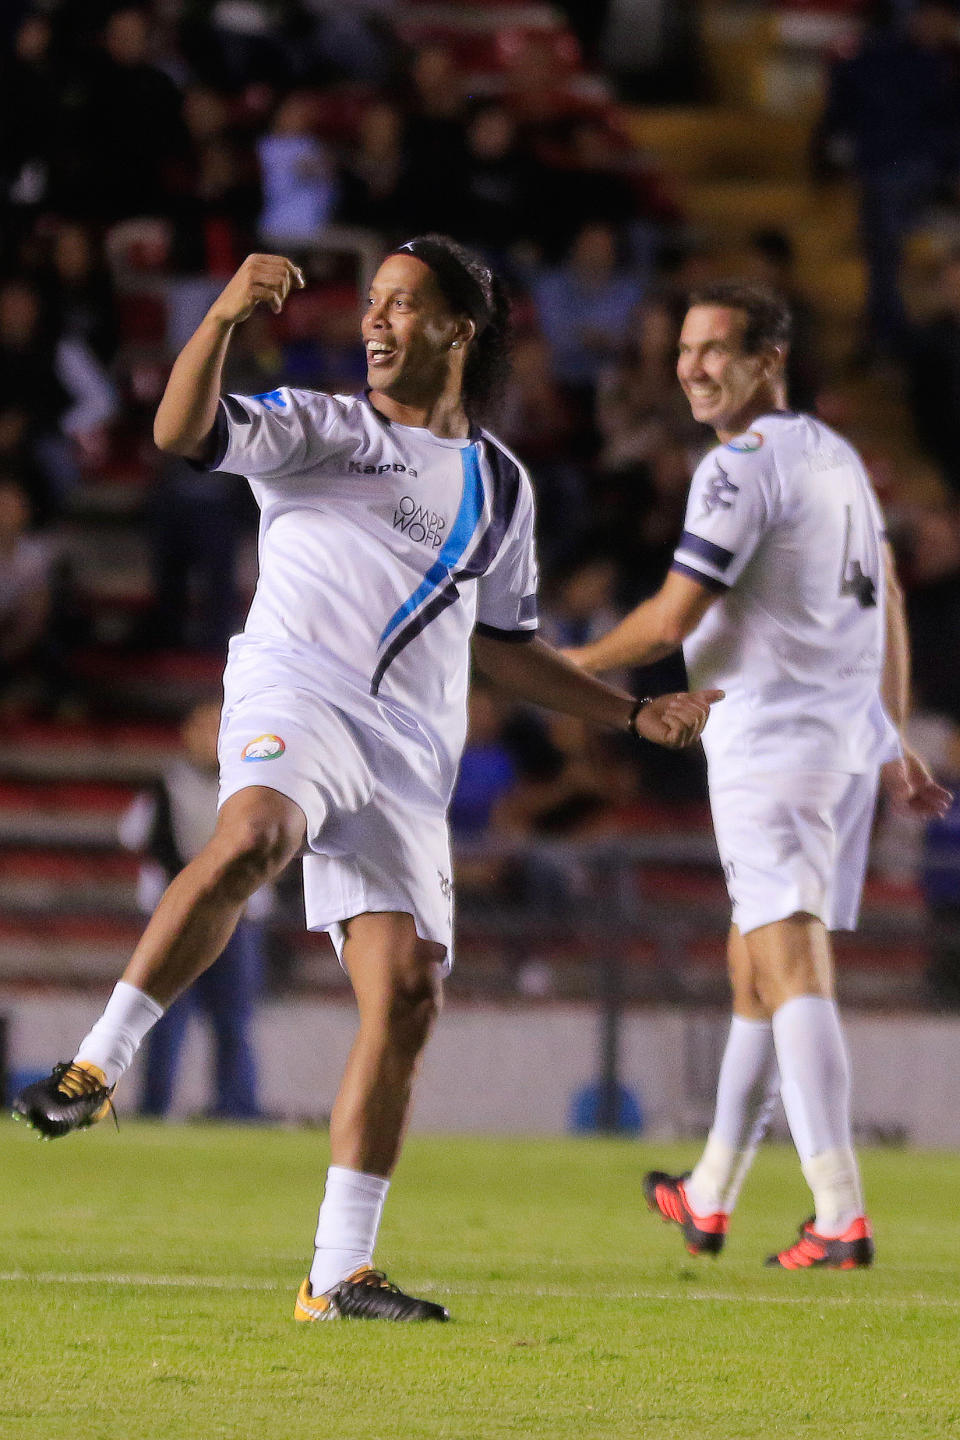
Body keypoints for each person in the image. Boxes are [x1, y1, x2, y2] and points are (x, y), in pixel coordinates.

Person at [13, 236, 720, 1321]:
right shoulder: (320, 428)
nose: (376, 320)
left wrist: (629, 712)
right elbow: (177, 431)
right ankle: (97, 1065)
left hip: (406, 755)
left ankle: (338, 1272)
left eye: (401, 303)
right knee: (255, 834)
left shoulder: (501, 486)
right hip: (296, 694)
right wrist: (221, 318)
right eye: (372, 303)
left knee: (407, 996)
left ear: (457, 331)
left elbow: (506, 643)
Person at [565, 281, 951, 1269]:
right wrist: (892, 735)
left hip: (772, 746)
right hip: (834, 745)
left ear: (767, 359)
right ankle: (709, 1196)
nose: (692, 365)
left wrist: (563, 672)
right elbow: (889, 596)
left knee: (790, 964)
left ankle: (839, 1209)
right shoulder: (835, 454)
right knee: (753, 968)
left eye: (715, 349)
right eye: (684, 348)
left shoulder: (738, 468)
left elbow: (670, 618)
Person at [119, 700, 268, 1120]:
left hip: (238, 916)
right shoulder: (165, 785)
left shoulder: (252, 784)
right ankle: (155, 1105)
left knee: (234, 1020)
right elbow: (137, 837)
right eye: (203, 729)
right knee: (163, 1015)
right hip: (178, 916)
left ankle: (237, 1107)